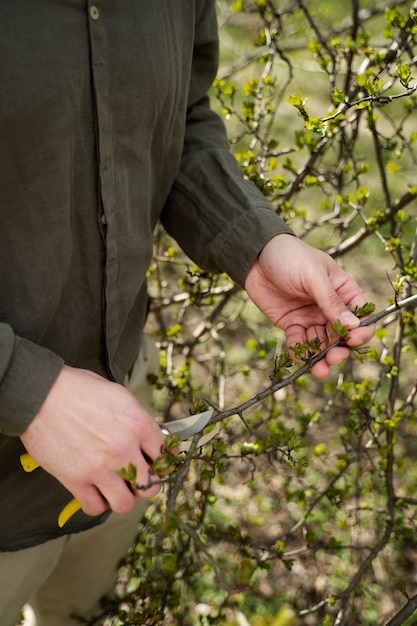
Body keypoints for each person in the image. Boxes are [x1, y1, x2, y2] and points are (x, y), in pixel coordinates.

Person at [0, 1, 374, 625]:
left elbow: (184, 120)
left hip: (126, 425)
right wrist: (25, 389)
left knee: (78, 610)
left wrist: (255, 244)